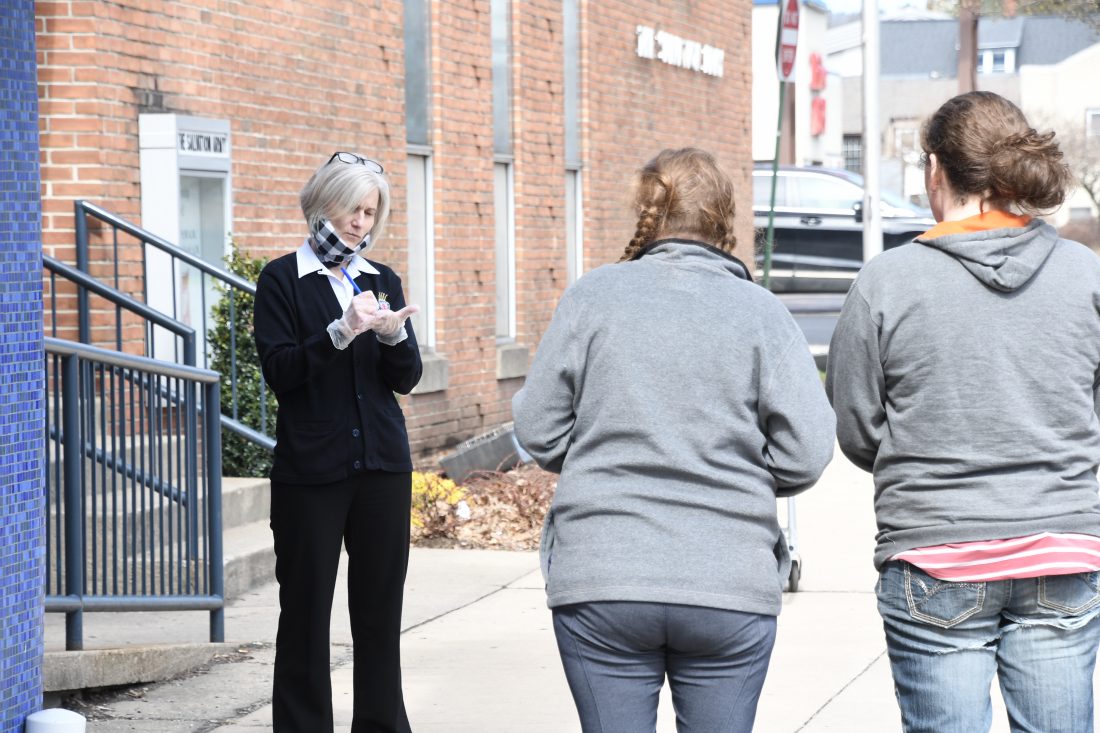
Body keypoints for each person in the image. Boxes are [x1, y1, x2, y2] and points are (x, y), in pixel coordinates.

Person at [512, 147, 836, 733]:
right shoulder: (761, 313)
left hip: (603, 576)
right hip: (728, 582)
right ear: (725, 220)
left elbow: (537, 427)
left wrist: (594, 453)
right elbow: (808, 451)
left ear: (648, 213)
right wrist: (744, 469)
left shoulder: (594, 296)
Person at [826, 91, 1100, 733]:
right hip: (1059, 553)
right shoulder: (1085, 275)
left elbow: (859, 427)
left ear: (934, 169)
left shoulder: (886, 282)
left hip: (935, 554)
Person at [253, 151, 421, 733]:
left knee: (379, 615)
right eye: (352, 208)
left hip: (382, 469)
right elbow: (281, 373)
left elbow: (406, 379)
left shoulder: (381, 279)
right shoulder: (281, 280)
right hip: (311, 474)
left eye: (370, 212)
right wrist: (340, 331)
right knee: (304, 614)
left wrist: (396, 336)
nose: (360, 223)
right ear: (323, 204)